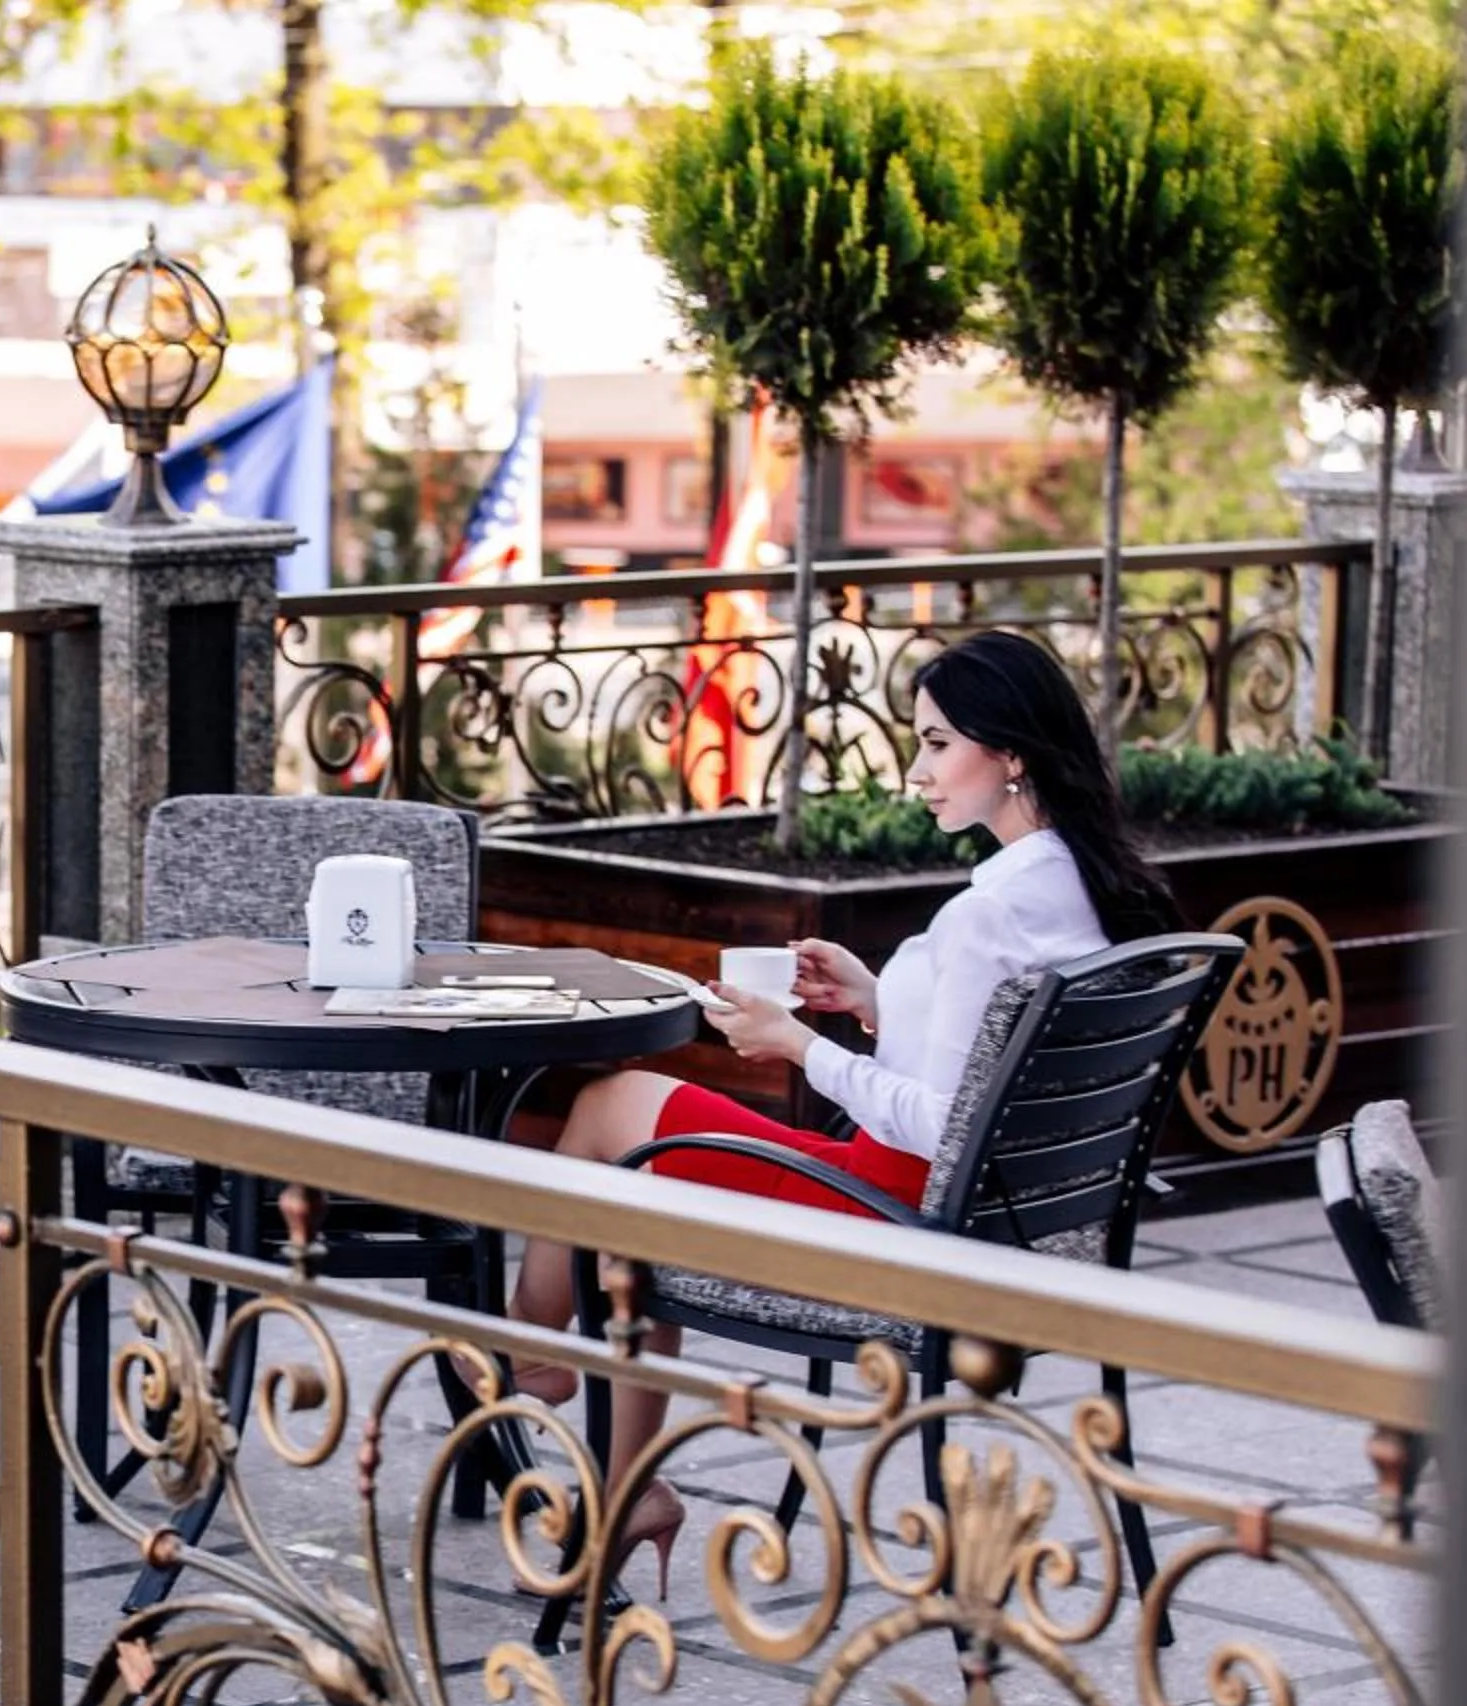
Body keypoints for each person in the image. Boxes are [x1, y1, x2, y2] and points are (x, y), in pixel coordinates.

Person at [504, 628, 1182, 1595]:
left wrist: (801, 1048)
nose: (919, 771)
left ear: (1013, 753)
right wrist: (875, 1003)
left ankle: (529, 1355)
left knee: (612, 1108)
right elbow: (985, 1072)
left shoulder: (990, 913)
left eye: (938, 743)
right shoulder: (1078, 888)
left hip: (894, 1223)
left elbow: (939, 1124)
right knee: (628, 1197)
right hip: (998, 1223)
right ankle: (619, 1480)